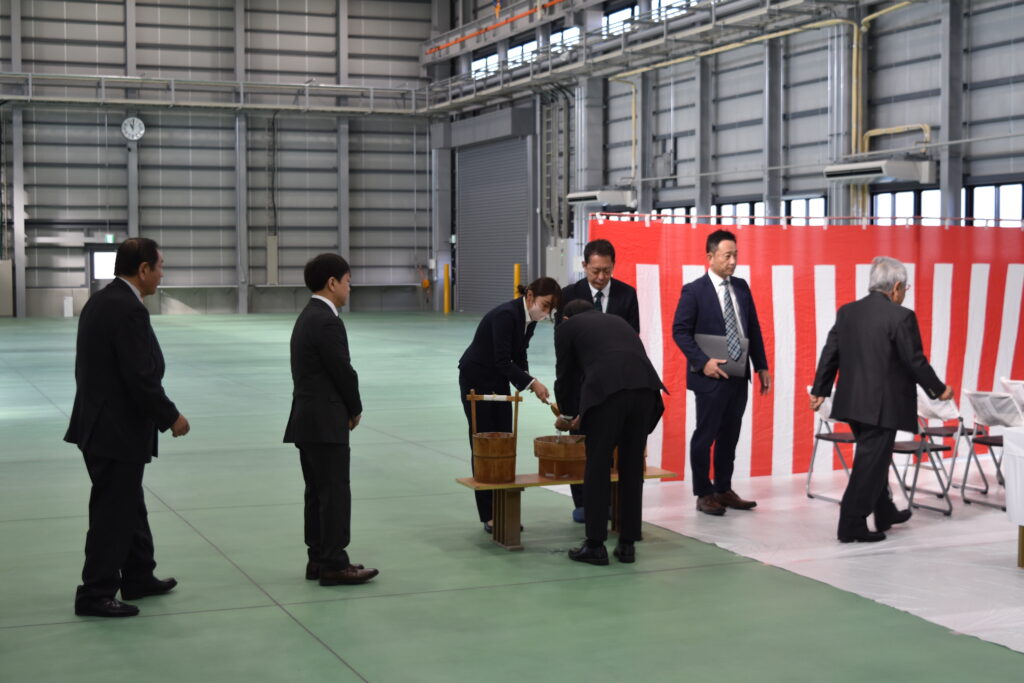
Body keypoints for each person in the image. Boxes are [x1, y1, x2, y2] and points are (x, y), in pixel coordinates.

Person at [65, 237, 190, 618]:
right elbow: (139, 376)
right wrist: (170, 417)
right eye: (160, 266)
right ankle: (95, 592)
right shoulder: (128, 309)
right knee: (113, 512)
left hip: (99, 424)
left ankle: (138, 575)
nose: (162, 274)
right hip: (115, 430)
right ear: (143, 269)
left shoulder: (102, 301)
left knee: (129, 505)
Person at [811, 256, 952, 543]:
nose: (904, 294)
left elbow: (830, 352)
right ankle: (851, 524)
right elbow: (915, 361)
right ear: (896, 287)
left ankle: (885, 511)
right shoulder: (901, 317)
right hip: (882, 407)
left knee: (875, 459)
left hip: (852, 403)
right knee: (869, 465)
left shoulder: (847, 312)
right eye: (905, 289)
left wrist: (820, 390)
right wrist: (939, 390)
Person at [284, 253, 378, 585]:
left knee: (317, 494)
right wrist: (355, 408)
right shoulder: (326, 321)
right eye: (348, 281)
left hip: (307, 420)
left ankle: (319, 558)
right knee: (335, 493)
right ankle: (335, 564)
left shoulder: (307, 316)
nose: (350, 288)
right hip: (325, 422)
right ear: (332, 282)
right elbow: (342, 370)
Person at [554, 299, 666, 565]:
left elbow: (566, 377)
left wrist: (568, 416)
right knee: (631, 466)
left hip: (608, 395)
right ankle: (627, 544)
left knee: (597, 465)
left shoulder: (567, 328)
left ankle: (595, 545)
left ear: (566, 318)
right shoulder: (616, 320)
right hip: (646, 393)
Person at [672, 229, 771, 516]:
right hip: (710, 377)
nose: (733, 261)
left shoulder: (741, 287)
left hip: (739, 374)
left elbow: (752, 328)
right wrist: (703, 362)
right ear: (710, 256)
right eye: (727, 256)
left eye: (735, 255)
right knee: (705, 436)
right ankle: (704, 493)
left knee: (730, 435)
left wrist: (761, 365)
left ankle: (723, 488)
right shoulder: (694, 291)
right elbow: (680, 331)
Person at [458, 277, 561, 532]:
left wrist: (527, 380)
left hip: (498, 380)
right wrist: (532, 383)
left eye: (550, 309)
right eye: (545, 305)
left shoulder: (529, 320)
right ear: (530, 296)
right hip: (476, 379)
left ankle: (503, 506)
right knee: (484, 442)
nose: (546, 313)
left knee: (504, 440)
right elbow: (503, 360)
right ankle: (489, 515)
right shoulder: (506, 315)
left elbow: (519, 354)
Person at [554, 238, 641, 523]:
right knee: (581, 445)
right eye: (595, 271)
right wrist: (568, 409)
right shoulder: (568, 295)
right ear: (584, 266)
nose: (601, 277)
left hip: (617, 384)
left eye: (607, 270)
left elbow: (633, 338)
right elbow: (563, 348)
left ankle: (613, 501)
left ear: (613, 266)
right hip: (582, 384)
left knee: (615, 443)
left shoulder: (627, 295)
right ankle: (583, 503)